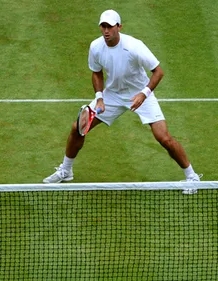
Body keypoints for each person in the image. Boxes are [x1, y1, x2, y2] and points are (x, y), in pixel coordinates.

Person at [43, 10, 201, 194]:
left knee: (163, 138)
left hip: (140, 93)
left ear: (119, 27)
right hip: (112, 95)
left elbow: (158, 72)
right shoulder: (95, 46)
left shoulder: (134, 46)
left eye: (110, 26)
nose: (106, 30)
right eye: (103, 26)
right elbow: (96, 72)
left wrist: (144, 94)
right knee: (78, 127)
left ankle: (192, 177)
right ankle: (66, 170)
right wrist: (100, 98)